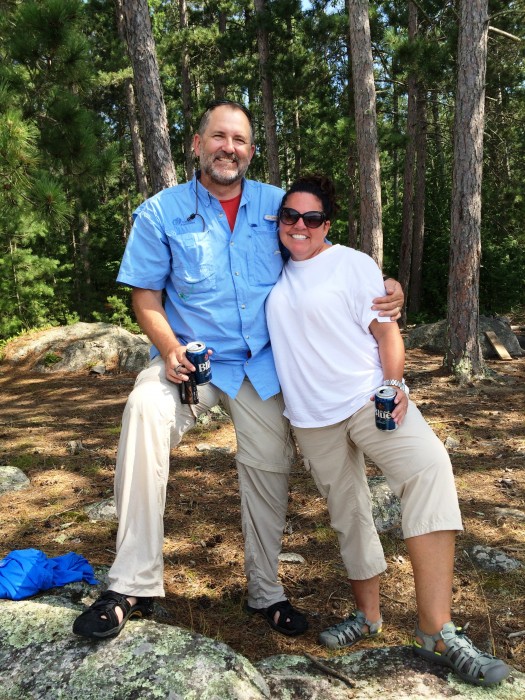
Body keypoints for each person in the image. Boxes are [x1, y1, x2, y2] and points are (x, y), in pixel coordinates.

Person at [72, 101, 404, 641]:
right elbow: (145, 294)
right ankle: (131, 583)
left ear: (251, 151)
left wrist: (387, 289)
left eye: (241, 140)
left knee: (269, 463)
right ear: (197, 144)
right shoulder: (160, 212)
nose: (230, 147)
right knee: (144, 412)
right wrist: (168, 348)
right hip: (193, 363)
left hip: (265, 367)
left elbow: (326, 253)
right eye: (219, 137)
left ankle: (265, 590)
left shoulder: (280, 207)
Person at [265, 174, 511, 687]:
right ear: (278, 222)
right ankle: (368, 617)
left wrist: (395, 383)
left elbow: (386, 332)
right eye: (290, 217)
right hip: (312, 418)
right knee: (349, 512)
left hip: (367, 399)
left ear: (326, 224)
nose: (300, 226)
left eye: (312, 218)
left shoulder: (352, 264)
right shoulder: (269, 270)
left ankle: (437, 629)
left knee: (428, 467)